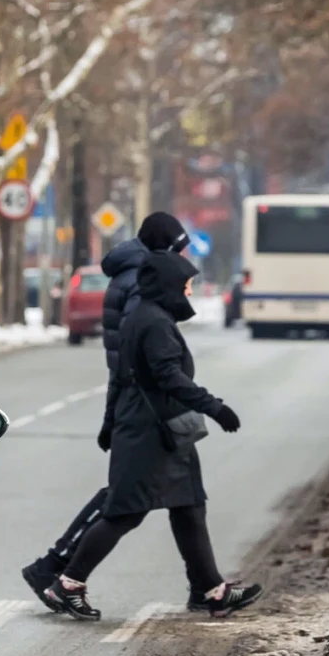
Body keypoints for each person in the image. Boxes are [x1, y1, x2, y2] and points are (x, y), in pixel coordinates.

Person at [43, 251, 264, 620]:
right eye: (185, 285)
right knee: (124, 512)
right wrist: (215, 407)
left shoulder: (150, 315)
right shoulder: (153, 322)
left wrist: (111, 420)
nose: (189, 292)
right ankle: (68, 584)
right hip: (148, 434)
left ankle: (211, 591)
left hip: (161, 431)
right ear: (167, 285)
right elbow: (169, 377)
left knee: (189, 505)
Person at [20, 212, 190, 606]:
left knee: (161, 498)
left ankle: (205, 584)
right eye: (179, 249)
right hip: (143, 404)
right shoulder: (141, 278)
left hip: (135, 400)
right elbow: (140, 346)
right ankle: (57, 569)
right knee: (124, 500)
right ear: (165, 247)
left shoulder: (131, 271)